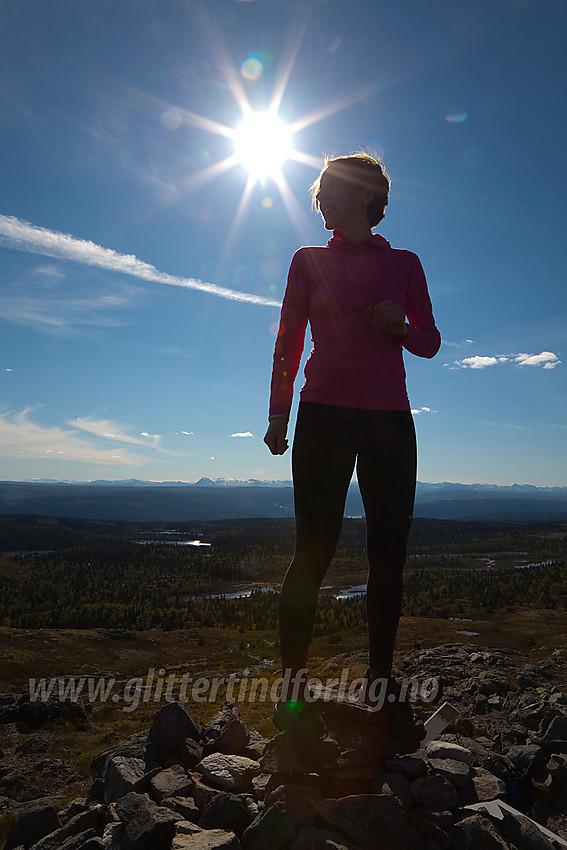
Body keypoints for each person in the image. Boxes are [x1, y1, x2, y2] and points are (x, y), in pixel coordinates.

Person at [264, 152, 441, 742]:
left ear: (366, 194)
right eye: (318, 194)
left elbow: (430, 341)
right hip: (323, 417)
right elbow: (288, 342)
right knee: (310, 554)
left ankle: (380, 682)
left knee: (387, 558)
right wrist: (277, 415)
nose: (319, 200)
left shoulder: (406, 264)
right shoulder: (307, 261)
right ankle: (293, 693)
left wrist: (402, 327)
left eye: (328, 190)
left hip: (389, 422)